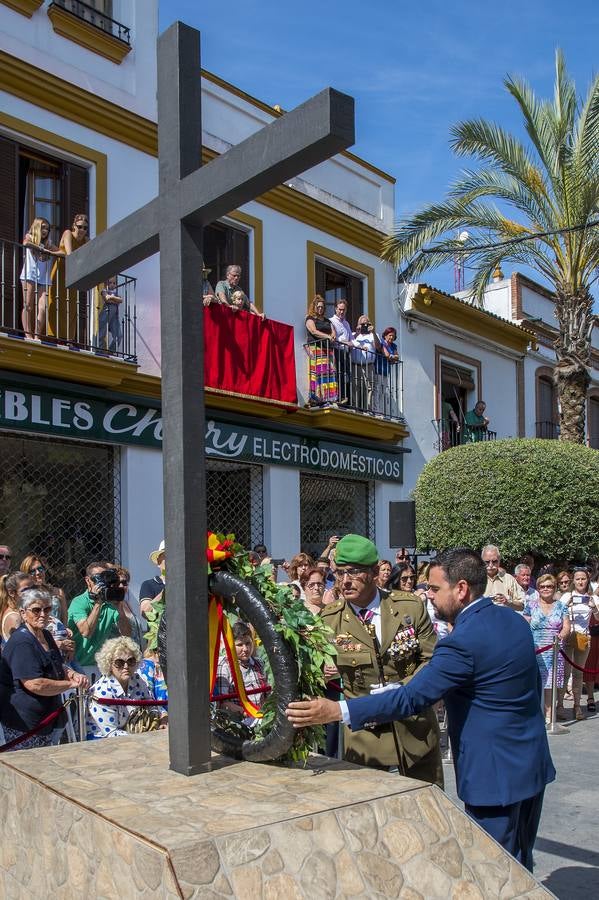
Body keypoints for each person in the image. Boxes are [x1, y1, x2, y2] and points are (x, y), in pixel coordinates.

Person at [287, 547, 555, 872]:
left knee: (495, 870)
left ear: (461, 589)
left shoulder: (462, 642)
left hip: (493, 777)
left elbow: (410, 698)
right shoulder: (513, 620)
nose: (429, 595)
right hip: (531, 766)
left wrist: (336, 711)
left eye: (435, 588)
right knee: (522, 867)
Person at [318, 534, 443, 785]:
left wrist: (403, 690)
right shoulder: (329, 619)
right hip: (366, 739)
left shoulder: (409, 608)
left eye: (353, 572)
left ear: (375, 572)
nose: (345, 580)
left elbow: (433, 661)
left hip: (414, 730)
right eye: (340, 572)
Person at [0, 587, 88, 749]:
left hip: (48, 718)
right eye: (36, 610)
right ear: (23, 613)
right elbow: (34, 684)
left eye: (47, 609)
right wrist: (70, 685)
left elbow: (54, 662)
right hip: (25, 725)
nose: (43, 614)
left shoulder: (45, 635)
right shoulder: (22, 642)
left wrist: (71, 673)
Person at [86, 636, 166, 739]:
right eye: (119, 663)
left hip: (133, 735)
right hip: (102, 741)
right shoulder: (103, 691)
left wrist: (162, 716)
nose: (126, 666)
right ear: (109, 664)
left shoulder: (136, 679)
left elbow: (151, 703)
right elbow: (111, 733)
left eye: (131, 661)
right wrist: (147, 736)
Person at [67, 561, 131, 678]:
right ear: (88, 580)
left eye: (105, 578)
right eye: (98, 578)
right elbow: (86, 632)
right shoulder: (79, 602)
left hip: (98, 667)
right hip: (77, 665)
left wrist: (120, 607)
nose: (102, 583)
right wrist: (98, 603)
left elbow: (126, 633)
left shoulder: (110, 603)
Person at [523, 574, 570, 722]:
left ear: (554, 587)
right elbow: (524, 625)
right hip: (536, 649)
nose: (546, 589)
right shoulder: (530, 604)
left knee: (550, 683)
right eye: (542, 586)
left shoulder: (561, 606)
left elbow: (567, 626)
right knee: (535, 681)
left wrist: (561, 635)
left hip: (555, 649)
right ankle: (536, 713)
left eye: (549, 586)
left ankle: (549, 714)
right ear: (538, 588)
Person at [559, 568, 599, 720]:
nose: (580, 582)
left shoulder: (593, 598)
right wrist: (566, 605)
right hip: (568, 636)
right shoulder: (567, 596)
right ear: (573, 581)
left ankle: (577, 706)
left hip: (583, 638)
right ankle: (560, 705)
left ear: (587, 580)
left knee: (578, 674)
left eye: (583, 579)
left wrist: (594, 607)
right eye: (577, 579)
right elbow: (558, 614)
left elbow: (598, 617)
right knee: (565, 673)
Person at [47, 213, 89, 343]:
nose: (82, 230)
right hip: (61, 274)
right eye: (80, 226)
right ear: (74, 226)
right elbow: (71, 256)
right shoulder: (68, 234)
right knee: (57, 305)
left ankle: (68, 339)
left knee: (71, 308)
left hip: (73, 276)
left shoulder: (86, 240)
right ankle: (53, 337)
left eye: (85, 228)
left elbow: (92, 255)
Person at [214, 621, 268, 722]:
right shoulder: (224, 666)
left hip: (261, 718)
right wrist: (247, 713)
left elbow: (267, 694)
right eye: (240, 645)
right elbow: (223, 703)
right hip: (241, 721)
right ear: (231, 645)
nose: (245, 649)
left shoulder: (259, 663)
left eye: (248, 643)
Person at [20, 217, 61, 340]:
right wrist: (42, 249)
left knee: (43, 307)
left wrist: (51, 252)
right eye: (43, 227)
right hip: (29, 275)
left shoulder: (48, 243)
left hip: (44, 278)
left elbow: (62, 253)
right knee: (28, 305)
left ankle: (37, 335)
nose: (45, 231)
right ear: (37, 226)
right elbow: (25, 243)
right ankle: (28, 334)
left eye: (47, 229)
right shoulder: (30, 236)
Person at [305, 295, 338, 406]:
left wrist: (332, 336)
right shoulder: (310, 319)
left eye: (322, 307)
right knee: (318, 374)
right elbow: (313, 331)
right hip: (317, 349)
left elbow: (333, 331)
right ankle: (318, 398)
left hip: (328, 350)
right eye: (318, 307)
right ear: (314, 307)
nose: (320, 309)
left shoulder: (327, 321)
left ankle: (330, 398)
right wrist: (327, 336)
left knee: (329, 373)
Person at [20, 554, 67, 624]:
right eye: (32, 571)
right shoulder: (24, 596)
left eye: (40, 569)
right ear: (26, 575)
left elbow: (64, 619)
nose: (38, 573)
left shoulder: (58, 592)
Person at [351, 314, 381, 412]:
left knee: (370, 388)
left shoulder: (373, 335)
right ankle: (356, 409)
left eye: (366, 324)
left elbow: (378, 347)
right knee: (356, 387)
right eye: (362, 324)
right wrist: (356, 333)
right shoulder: (354, 335)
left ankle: (369, 409)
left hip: (369, 366)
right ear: (358, 324)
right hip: (356, 365)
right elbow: (349, 344)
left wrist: (373, 331)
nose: (364, 326)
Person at [481, 544, 524, 610]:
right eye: (487, 562)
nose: (491, 565)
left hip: (505, 619)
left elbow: (521, 606)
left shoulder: (509, 579)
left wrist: (508, 602)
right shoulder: (476, 579)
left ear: (499, 561)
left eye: (494, 561)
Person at [329, 299, 353, 405]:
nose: (342, 312)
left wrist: (354, 343)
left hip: (346, 353)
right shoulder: (331, 321)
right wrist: (345, 342)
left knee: (346, 376)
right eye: (340, 309)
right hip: (336, 351)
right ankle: (337, 397)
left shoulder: (347, 324)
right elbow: (333, 337)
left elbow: (351, 339)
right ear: (336, 309)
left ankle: (345, 398)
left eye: (344, 310)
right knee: (337, 375)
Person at [0, 572, 34, 644]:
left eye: (32, 588)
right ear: (12, 593)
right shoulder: (15, 617)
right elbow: (22, 645)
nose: (31, 593)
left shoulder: (19, 611)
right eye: (25, 590)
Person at [139, 540, 166, 619]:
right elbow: (145, 613)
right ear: (158, 562)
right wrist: (165, 592)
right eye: (166, 555)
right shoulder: (149, 585)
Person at [97, 276, 123, 353]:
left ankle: (111, 352)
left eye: (114, 283)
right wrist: (114, 299)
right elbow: (106, 298)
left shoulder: (116, 293)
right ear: (106, 283)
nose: (112, 285)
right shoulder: (104, 290)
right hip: (105, 314)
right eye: (110, 283)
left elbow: (120, 300)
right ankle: (99, 351)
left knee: (119, 336)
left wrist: (112, 297)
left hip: (114, 317)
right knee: (102, 334)